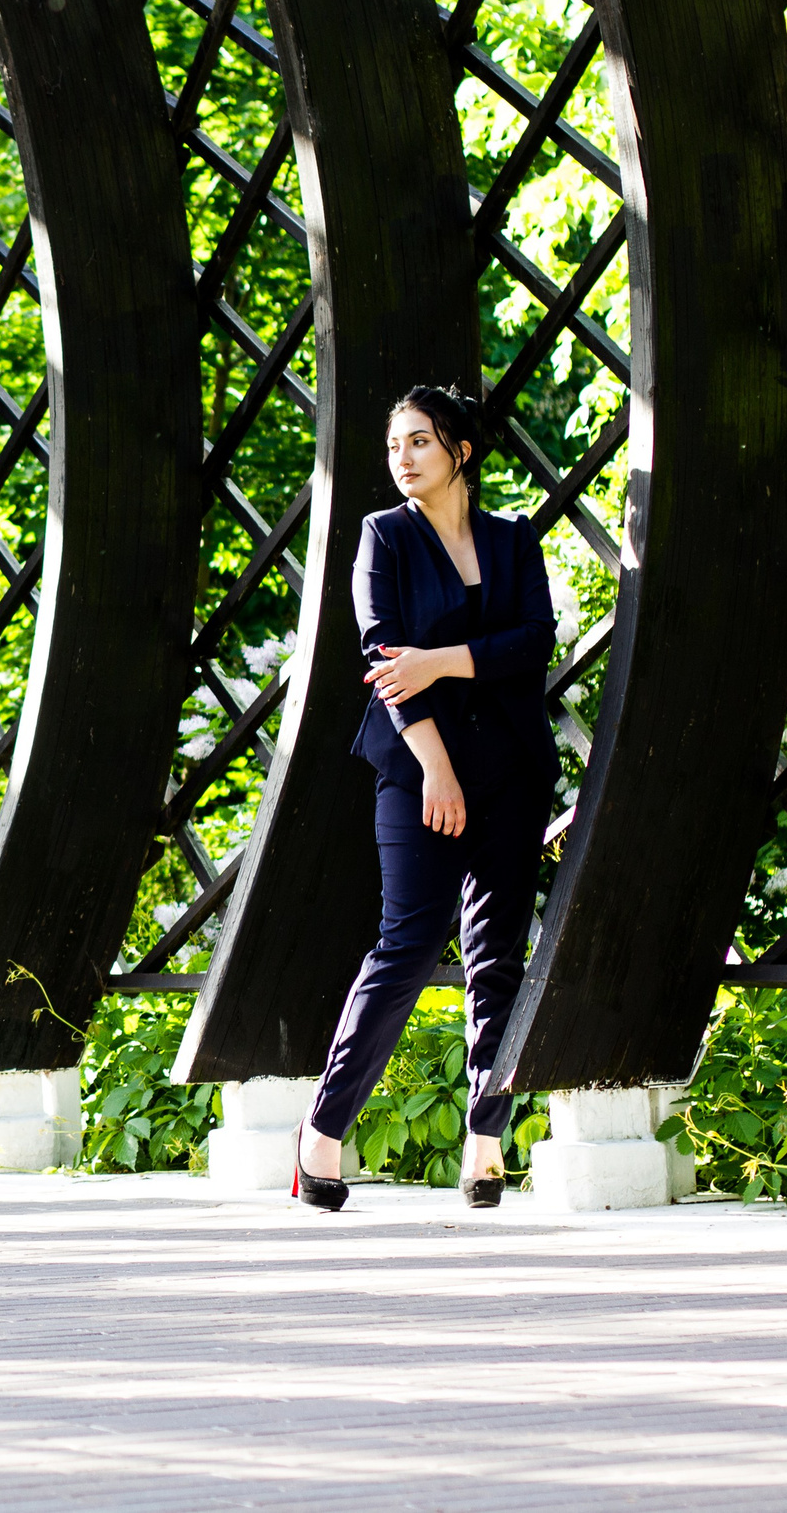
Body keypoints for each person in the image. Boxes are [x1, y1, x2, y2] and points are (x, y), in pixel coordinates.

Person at [295, 385, 558, 1212]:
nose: (402, 457)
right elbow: (382, 659)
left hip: (512, 771)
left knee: (497, 958)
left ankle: (485, 1141)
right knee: (406, 945)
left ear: (460, 451)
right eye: (394, 444)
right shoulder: (383, 537)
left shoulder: (514, 542)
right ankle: (321, 1134)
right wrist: (436, 767)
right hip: (419, 773)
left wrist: (440, 660)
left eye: (418, 441)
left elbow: (534, 642)